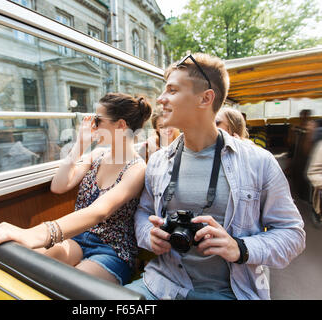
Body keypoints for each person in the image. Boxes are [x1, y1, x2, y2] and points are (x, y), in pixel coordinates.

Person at [125, 53, 306, 300]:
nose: (160, 98)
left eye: (172, 90)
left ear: (205, 98)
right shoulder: (157, 161)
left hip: (230, 292)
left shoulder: (259, 162)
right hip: (161, 284)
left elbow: (293, 234)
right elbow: (143, 213)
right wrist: (149, 234)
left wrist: (239, 248)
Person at [0, 92, 152, 285]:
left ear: (120, 125)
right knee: (32, 266)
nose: (93, 125)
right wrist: (80, 145)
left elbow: (99, 212)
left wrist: (31, 234)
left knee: (68, 286)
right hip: (78, 239)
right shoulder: (98, 155)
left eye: (98, 120)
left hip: (112, 249)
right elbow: (59, 186)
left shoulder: (137, 169)